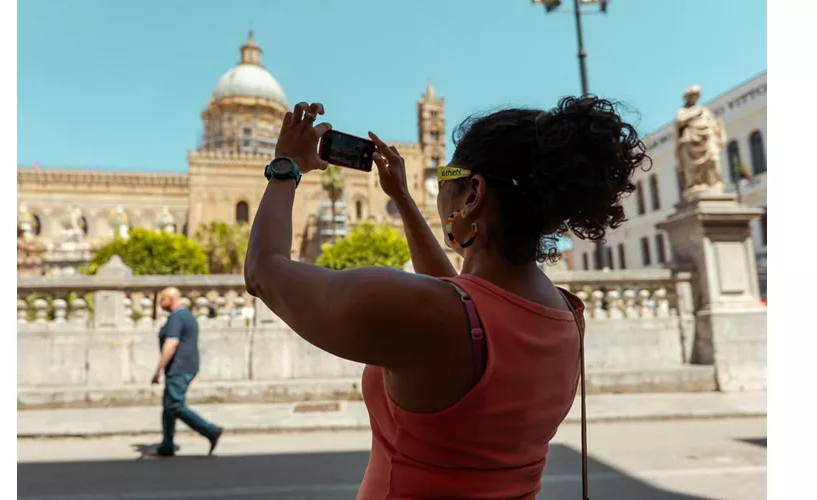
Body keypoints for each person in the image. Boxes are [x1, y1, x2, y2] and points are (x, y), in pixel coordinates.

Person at [244, 97, 647, 498]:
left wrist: (286, 168)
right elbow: (462, 301)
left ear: (473, 194)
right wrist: (402, 197)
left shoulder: (435, 317)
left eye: (445, 177)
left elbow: (263, 271)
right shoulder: (564, 315)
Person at [152, 287, 223, 457]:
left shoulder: (177, 317)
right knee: (168, 407)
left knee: (174, 405)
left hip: (178, 367)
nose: (160, 303)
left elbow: (172, 343)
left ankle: (210, 430)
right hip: (184, 367)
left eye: (162, 299)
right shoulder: (187, 316)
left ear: (171, 299)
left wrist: (158, 370)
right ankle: (167, 444)